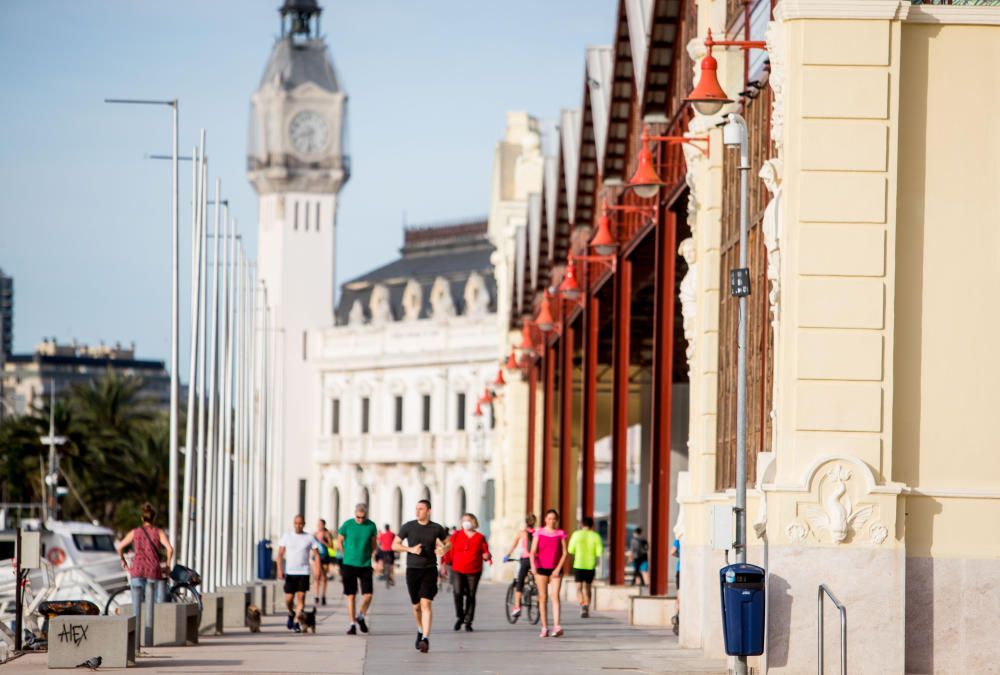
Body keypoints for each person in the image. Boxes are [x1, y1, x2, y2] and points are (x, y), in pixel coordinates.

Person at [393, 499, 450, 654]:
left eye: (421, 509)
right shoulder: (408, 527)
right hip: (412, 570)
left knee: (426, 604)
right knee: (416, 606)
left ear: (428, 511)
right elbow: (394, 545)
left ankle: (425, 638)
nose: (417, 511)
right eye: (416, 508)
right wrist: (410, 549)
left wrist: (444, 549)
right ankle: (420, 629)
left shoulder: (436, 528)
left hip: (429, 570)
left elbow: (448, 543)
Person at [115, 503, 173, 628]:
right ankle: (152, 630)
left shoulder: (135, 532)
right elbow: (170, 549)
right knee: (154, 604)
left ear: (142, 518)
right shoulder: (158, 532)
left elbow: (120, 547)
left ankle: (137, 635)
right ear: (153, 518)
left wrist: (123, 561)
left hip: (137, 569)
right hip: (153, 570)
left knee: (137, 604)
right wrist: (168, 566)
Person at [442, 513, 491, 632]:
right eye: (464, 520)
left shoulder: (480, 537)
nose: (466, 523)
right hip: (457, 569)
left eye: (468, 520)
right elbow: (448, 550)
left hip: (474, 570)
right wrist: (444, 564)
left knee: (471, 595)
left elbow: (485, 551)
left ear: (473, 522)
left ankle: (468, 621)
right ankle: (460, 617)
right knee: (457, 593)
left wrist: (487, 556)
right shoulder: (456, 535)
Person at [336, 504, 378, 635]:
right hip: (349, 564)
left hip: (365, 564)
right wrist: (344, 554)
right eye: (358, 517)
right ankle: (352, 624)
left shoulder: (371, 526)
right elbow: (339, 540)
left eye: (363, 517)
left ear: (366, 515)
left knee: (368, 595)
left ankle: (361, 616)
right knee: (351, 596)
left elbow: (373, 543)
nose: (360, 520)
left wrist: (370, 554)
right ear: (355, 515)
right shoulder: (347, 525)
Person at [276, 514, 320, 632]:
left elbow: (316, 555)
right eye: (296, 523)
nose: (298, 525)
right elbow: (280, 554)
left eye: (300, 523)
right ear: (293, 524)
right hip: (290, 572)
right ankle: (291, 613)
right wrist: (279, 569)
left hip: (304, 572)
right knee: (289, 599)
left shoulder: (309, 537)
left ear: (304, 524)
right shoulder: (287, 536)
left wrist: (318, 571)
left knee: (301, 598)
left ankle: (296, 622)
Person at [529, 509, 568, 638]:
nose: (552, 521)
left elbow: (564, 553)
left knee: (555, 596)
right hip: (541, 569)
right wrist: (533, 566)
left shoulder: (560, 533)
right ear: (545, 519)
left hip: (555, 569)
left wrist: (558, 569)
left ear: (557, 520)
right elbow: (533, 551)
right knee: (543, 598)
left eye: (554, 519)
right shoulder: (538, 533)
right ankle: (544, 627)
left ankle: (557, 626)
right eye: (549, 518)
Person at [567, 516, 603, 618]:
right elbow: (599, 552)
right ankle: (587, 605)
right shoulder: (596, 536)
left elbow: (570, 550)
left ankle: (582, 604)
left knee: (578, 587)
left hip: (578, 564)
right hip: (590, 565)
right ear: (592, 525)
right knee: (588, 587)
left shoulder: (576, 535)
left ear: (581, 524)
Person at [502, 514, 536, 618]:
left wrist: (507, 555)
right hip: (536, 560)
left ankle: (517, 607)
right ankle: (533, 590)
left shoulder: (522, 533)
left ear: (525, 522)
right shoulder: (538, 533)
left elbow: (514, 545)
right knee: (535, 579)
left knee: (519, 582)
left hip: (525, 560)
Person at [313, 519, 335, 606]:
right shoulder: (315, 534)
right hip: (316, 556)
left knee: (324, 577)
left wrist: (324, 542)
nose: (319, 526)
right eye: (318, 525)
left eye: (320, 525)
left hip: (325, 556)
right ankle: (316, 595)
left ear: (324, 525)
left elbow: (331, 546)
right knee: (316, 576)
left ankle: (323, 595)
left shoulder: (327, 534)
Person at [671, 536, 681, 635]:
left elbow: (672, 552)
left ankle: (677, 616)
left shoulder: (679, 538)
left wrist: (681, 556)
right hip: (685, 569)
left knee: (679, 595)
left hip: (680, 569)